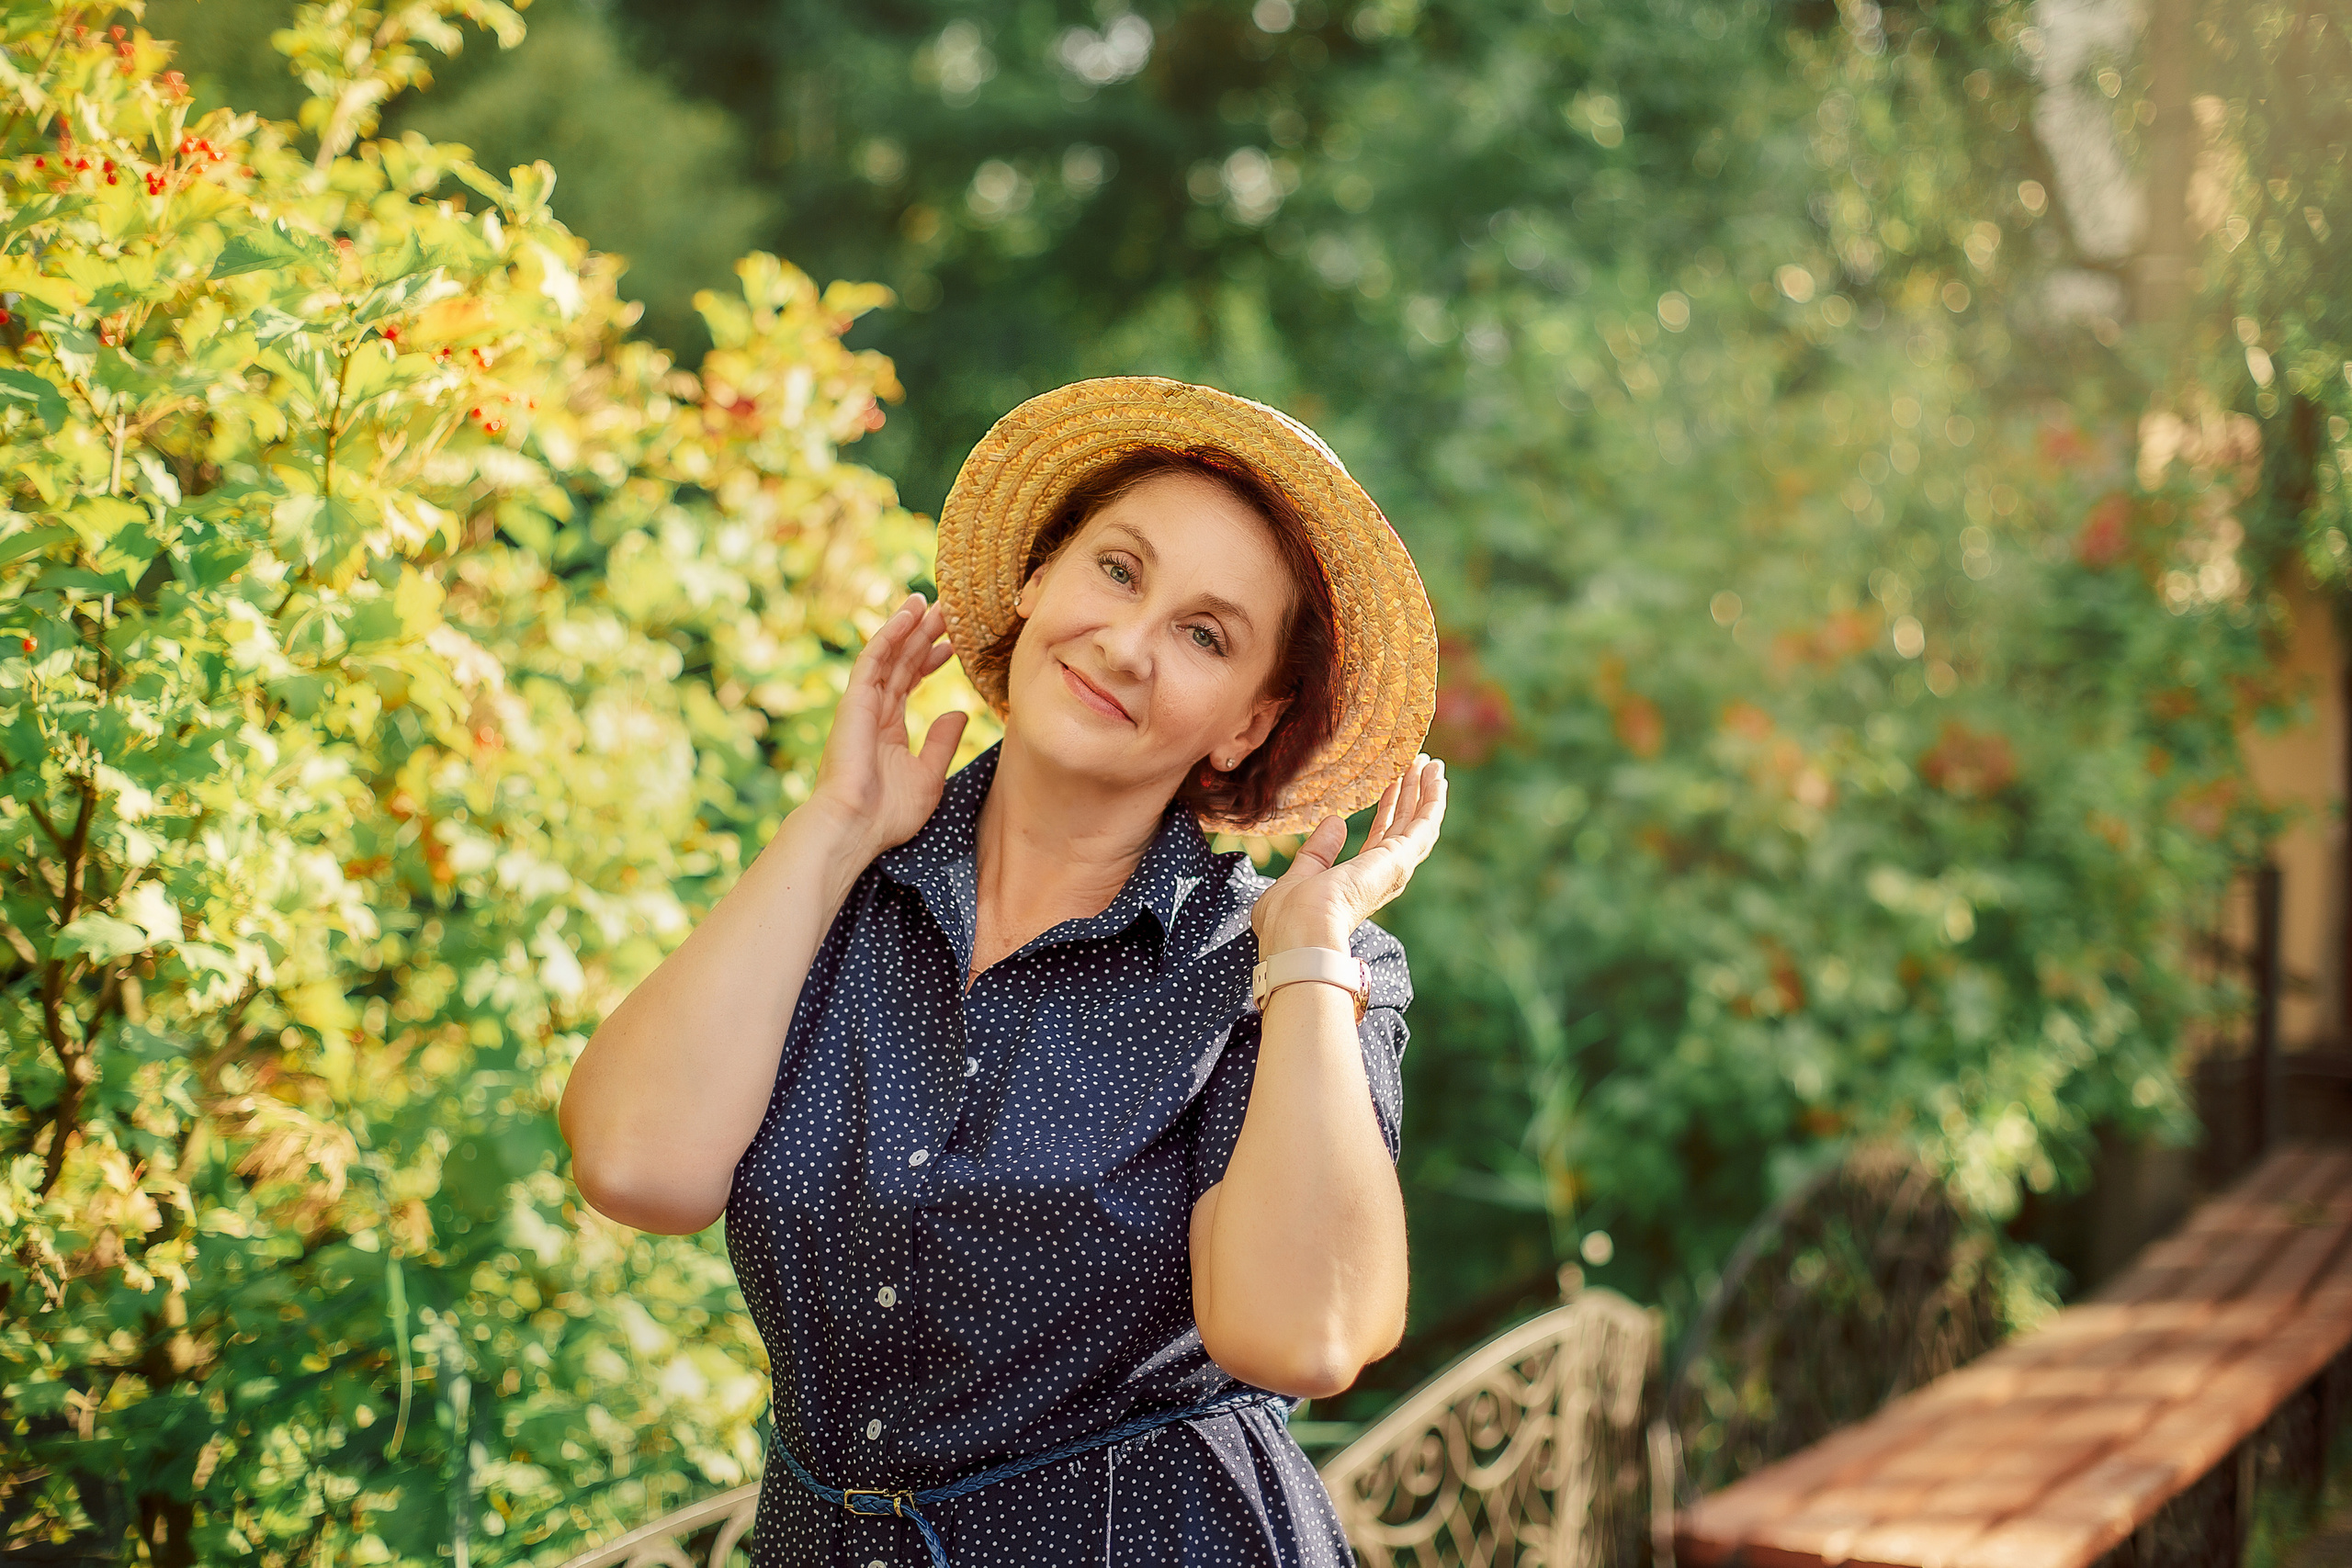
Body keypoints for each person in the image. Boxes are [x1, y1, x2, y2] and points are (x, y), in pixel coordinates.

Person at [560, 377, 1445, 1567]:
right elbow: (632, 1166)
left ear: (1244, 723)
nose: (1128, 645)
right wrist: (833, 824)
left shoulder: (1291, 973)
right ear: (1038, 580)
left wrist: (1311, 955)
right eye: (1117, 571)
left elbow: (1306, 1335)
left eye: (1204, 636)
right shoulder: (846, 887)